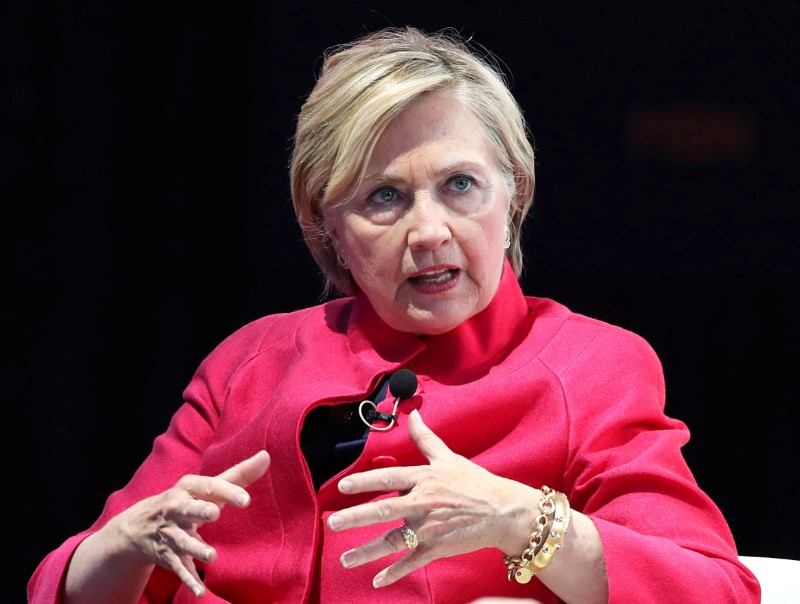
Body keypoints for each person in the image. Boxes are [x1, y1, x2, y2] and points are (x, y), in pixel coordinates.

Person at [28, 26, 760, 604]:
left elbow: (716, 590)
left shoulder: (590, 366)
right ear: (328, 228)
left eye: (460, 185)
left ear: (515, 197)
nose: (430, 231)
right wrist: (122, 545)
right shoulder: (249, 360)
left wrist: (524, 522)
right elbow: (68, 582)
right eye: (384, 197)